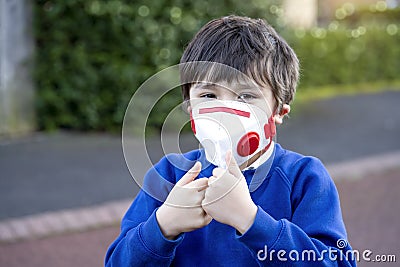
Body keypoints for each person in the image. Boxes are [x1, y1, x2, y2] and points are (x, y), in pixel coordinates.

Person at [105, 15, 356, 266]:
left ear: (278, 112)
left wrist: (251, 220)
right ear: (190, 110)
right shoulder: (168, 175)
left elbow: (338, 262)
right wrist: (164, 225)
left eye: (246, 96)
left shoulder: (304, 178)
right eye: (208, 94)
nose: (224, 110)